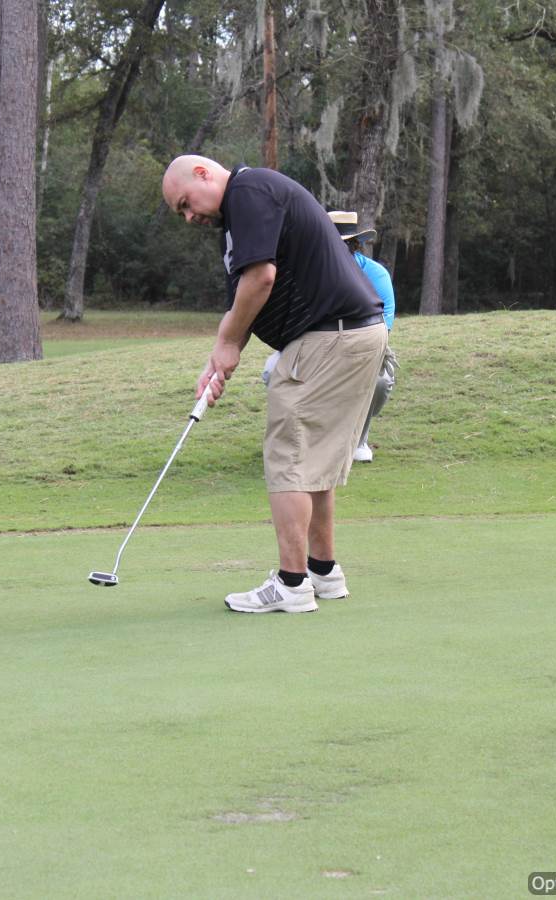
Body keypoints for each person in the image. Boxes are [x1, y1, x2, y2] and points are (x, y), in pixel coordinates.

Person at [161, 155, 387, 614]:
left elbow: (262, 278)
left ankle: (291, 583)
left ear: (204, 174)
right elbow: (244, 297)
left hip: (326, 337)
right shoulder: (244, 212)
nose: (189, 216)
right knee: (315, 460)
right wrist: (221, 356)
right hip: (355, 333)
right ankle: (323, 572)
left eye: (186, 203)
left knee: (288, 458)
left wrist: (227, 343)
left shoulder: (248, 192)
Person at [327, 211, 398, 464]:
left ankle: (358, 440)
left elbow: (382, 328)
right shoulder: (309, 273)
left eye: (346, 244)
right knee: (273, 371)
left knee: (379, 381)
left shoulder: (376, 274)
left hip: (364, 348)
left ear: (355, 245)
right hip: (318, 348)